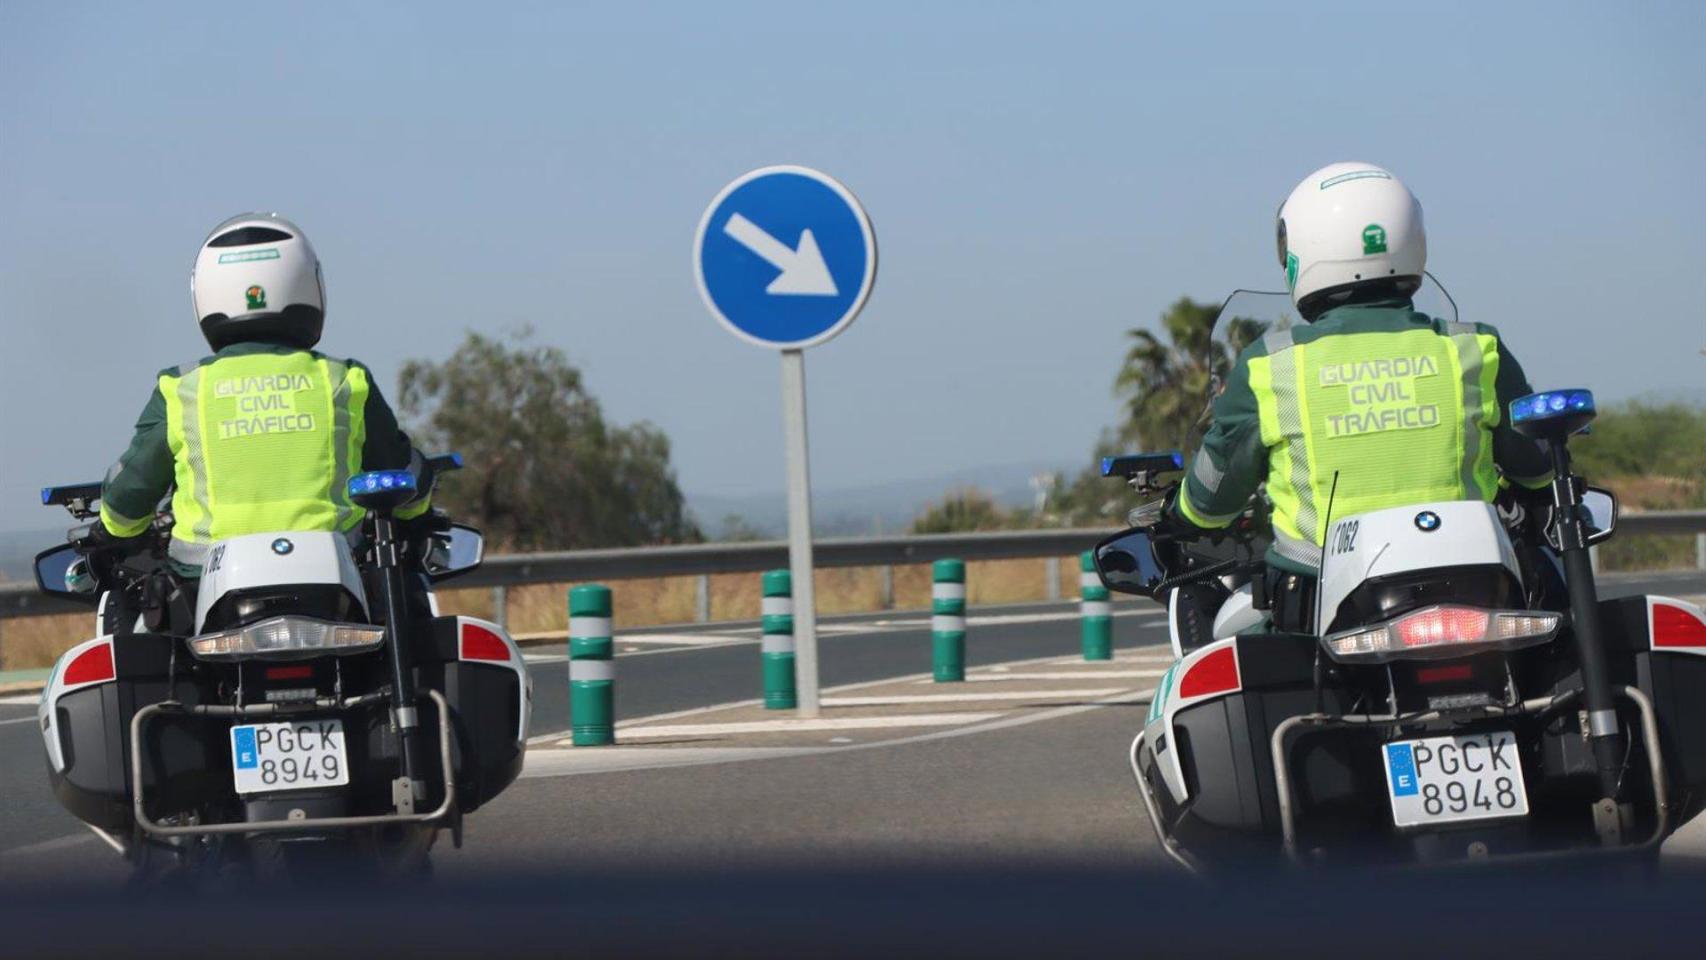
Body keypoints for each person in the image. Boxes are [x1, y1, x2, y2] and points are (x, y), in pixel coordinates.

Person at [1172, 163, 1553, 632]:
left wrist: (1179, 514)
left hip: (1317, 599)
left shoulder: (1271, 365)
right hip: (1477, 588)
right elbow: (1537, 469)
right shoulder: (1475, 348)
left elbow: (1210, 499)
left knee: (1233, 640)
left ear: (1300, 250)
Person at [95, 213, 430, 614]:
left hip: (202, 586)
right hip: (335, 580)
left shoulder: (182, 388)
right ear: (310, 285)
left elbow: (128, 496)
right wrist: (419, 508)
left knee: (145, 625)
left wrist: (112, 531)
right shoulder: (344, 379)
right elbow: (400, 472)